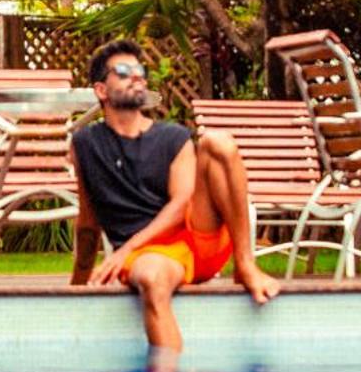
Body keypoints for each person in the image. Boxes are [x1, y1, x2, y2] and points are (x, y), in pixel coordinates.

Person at [69, 38, 278, 350]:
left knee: (218, 143)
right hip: (151, 256)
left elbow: (182, 204)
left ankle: (245, 263)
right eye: (123, 71)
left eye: (140, 70)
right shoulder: (85, 144)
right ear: (101, 90)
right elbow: (88, 221)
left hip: (196, 238)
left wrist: (123, 252)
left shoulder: (173, 137)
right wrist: (75, 289)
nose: (136, 76)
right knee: (153, 280)